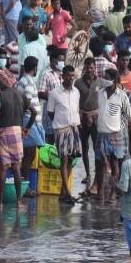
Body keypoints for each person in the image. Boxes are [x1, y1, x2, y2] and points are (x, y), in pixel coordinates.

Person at [0, 68, 35, 207]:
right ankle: (18, 201)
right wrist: (27, 127)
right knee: (16, 167)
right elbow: (33, 112)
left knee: (4, 168)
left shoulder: (0, 96)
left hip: (4, 132)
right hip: (17, 131)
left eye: (0, 80)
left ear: (4, 82)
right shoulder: (20, 95)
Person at [96, 68, 131, 202]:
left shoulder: (122, 95)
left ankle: (113, 193)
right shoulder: (100, 93)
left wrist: (119, 125)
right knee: (99, 162)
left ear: (114, 81)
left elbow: (129, 114)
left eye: (108, 78)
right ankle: (100, 192)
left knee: (114, 164)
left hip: (116, 134)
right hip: (101, 133)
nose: (105, 81)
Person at [47, 65, 81, 205]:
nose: (70, 78)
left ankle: (63, 191)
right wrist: (60, 121)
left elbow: (76, 109)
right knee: (64, 159)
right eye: (68, 75)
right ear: (63, 76)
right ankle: (68, 192)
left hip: (74, 127)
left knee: (72, 159)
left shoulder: (76, 92)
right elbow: (50, 112)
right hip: (60, 129)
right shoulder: (55, 93)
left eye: (72, 76)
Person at [74, 58, 105, 188]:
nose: (89, 70)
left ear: (95, 68)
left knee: (97, 148)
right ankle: (87, 174)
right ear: (84, 68)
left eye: (91, 67)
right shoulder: (78, 83)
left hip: (96, 118)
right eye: (87, 68)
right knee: (84, 147)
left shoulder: (100, 82)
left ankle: (98, 175)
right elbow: (74, 101)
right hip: (82, 117)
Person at [16, 56, 45, 191]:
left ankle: (25, 183)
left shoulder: (27, 80)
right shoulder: (26, 82)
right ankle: (24, 185)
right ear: (35, 68)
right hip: (28, 120)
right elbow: (26, 103)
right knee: (29, 153)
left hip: (31, 121)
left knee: (30, 153)